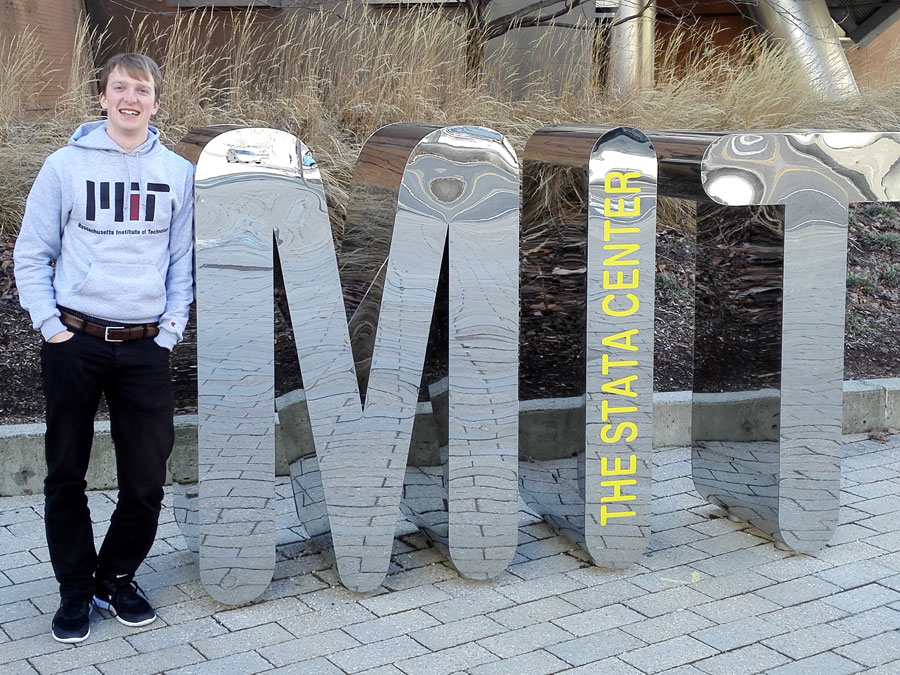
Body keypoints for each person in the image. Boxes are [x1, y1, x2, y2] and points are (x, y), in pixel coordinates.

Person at [13, 53, 194, 643]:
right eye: (120, 88)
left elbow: (180, 262)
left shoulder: (178, 172)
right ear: (103, 97)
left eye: (142, 90)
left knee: (146, 476)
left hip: (144, 347)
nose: (130, 99)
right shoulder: (63, 167)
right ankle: (73, 589)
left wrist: (169, 331)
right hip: (76, 340)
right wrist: (49, 325)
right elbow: (32, 252)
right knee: (66, 472)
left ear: (156, 102)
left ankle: (114, 576)